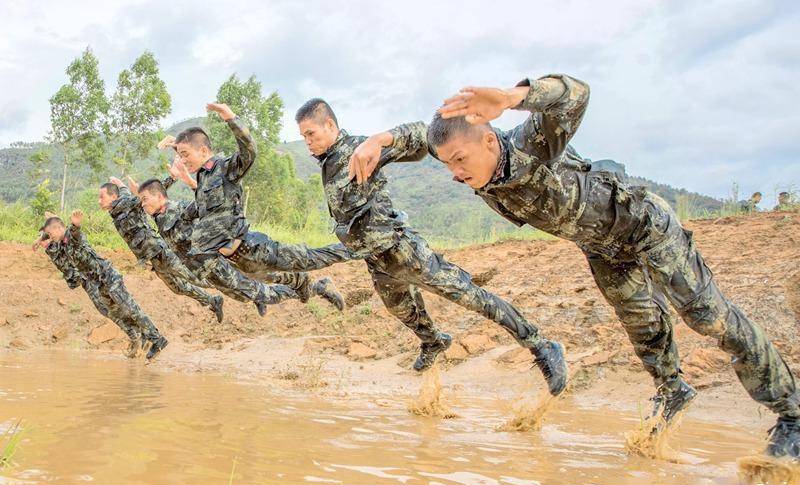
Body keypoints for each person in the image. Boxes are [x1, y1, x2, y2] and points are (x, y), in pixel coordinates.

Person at [354, 72, 799, 458]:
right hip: (603, 248)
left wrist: (514, 97)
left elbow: (576, 94)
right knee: (644, 329)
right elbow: (425, 135)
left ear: (490, 139)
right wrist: (381, 139)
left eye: (460, 161)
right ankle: (672, 391)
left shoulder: (530, 146)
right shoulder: (471, 158)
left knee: (709, 318)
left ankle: (791, 416)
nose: (454, 172)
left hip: (644, 226)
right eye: (448, 163)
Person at [294, 98, 567, 395]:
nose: (307, 142)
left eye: (311, 133)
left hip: (406, 252)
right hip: (377, 261)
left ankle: (541, 346)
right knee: (402, 310)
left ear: (330, 125)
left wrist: (378, 139)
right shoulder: (329, 164)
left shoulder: (356, 149)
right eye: (303, 137)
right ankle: (434, 341)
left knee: (474, 298)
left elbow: (423, 136)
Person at [169, 103, 357, 281]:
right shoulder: (204, 177)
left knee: (307, 259)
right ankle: (312, 285)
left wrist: (230, 118)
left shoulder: (224, 167)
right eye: (180, 155)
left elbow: (249, 151)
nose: (183, 160)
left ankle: (354, 249)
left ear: (202, 150)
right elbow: (208, 207)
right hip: (237, 260)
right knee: (275, 280)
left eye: (185, 154)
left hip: (252, 248)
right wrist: (185, 174)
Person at [133, 178, 300, 316]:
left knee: (261, 286)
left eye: (145, 199)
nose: (143, 205)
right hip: (207, 271)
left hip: (220, 261)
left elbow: (207, 203)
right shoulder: (159, 218)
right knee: (246, 295)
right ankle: (284, 289)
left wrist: (188, 179)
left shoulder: (179, 209)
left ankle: (307, 288)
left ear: (160, 197)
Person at [40, 213, 168, 359]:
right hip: (98, 283)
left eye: (50, 233)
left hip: (108, 276)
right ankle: (141, 336)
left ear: (58, 229)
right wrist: (43, 238)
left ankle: (157, 339)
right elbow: (60, 259)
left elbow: (75, 233)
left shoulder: (70, 237)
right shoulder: (61, 245)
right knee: (114, 313)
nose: (50, 237)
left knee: (130, 308)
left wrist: (75, 225)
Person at [98, 178, 224, 322]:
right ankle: (213, 301)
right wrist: (120, 184)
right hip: (152, 257)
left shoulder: (127, 204)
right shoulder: (116, 211)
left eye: (102, 197)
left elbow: (153, 192)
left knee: (193, 277)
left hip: (159, 251)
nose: (99, 201)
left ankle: (230, 282)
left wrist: (172, 178)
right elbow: (126, 191)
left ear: (114, 197)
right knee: (178, 287)